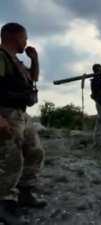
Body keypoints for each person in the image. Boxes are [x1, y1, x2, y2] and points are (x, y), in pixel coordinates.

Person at [0, 22, 46, 225]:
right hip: (6, 113)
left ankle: (25, 193)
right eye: (24, 37)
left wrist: (34, 59)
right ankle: (4, 203)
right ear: (14, 36)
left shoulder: (16, 61)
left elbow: (33, 77)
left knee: (35, 152)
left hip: (21, 114)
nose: (26, 41)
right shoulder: (0, 56)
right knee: (11, 158)